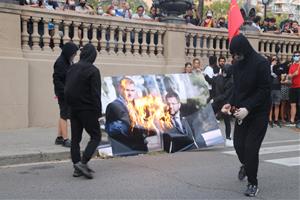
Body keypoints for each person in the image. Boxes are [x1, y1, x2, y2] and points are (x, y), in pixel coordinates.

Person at [221, 34, 271, 197]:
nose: (235, 57)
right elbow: (237, 88)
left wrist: (248, 108)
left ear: (245, 49)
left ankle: (252, 183)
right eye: (233, 54)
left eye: (237, 53)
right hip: (241, 111)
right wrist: (230, 103)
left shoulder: (261, 63)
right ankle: (246, 164)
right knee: (238, 145)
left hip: (259, 112)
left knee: (251, 148)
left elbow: (264, 90)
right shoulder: (237, 64)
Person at [64, 43, 102, 179]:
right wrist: (98, 112)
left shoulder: (72, 68)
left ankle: (77, 167)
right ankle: (83, 163)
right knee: (96, 136)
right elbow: (95, 95)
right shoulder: (93, 71)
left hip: (73, 109)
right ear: (93, 56)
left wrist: (68, 108)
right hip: (87, 109)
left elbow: (66, 89)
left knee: (75, 139)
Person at [105, 78, 148, 152]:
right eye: (127, 90)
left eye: (132, 90)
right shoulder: (113, 106)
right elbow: (110, 129)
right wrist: (134, 128)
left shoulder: (137, 105)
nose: (130, 93)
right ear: (120, 90)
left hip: (140, 147)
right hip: (125, 149)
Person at [53, 42, 78, 147]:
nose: (74, 56)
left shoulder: (68, 61)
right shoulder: (60, 63)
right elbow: (57, 80)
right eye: (73, 53)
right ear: (68, 52)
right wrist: (64, 91)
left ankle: (59, 137)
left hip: (67, 91)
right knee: (64, 115)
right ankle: (65, 139)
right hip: (63, 93)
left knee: (63, 114)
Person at [211, 62, 234, 147]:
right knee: (208, 118)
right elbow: (211, 81)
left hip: (224, 104)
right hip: (217, 102)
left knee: (227, 121)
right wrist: (203, 76)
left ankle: (228, 138)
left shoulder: (231, 81)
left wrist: (214, 99)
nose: (224, 73)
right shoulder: (219, 77)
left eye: (226, 71)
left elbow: (226, 95)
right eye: (224, 71)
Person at [287, 51, 300, 126]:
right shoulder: (292, 65)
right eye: (295, 55)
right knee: (293, 104)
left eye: (298, 55)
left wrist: (292, 75)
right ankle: (292, 121)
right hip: (293, 87)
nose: (296, 56)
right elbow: (289, 76)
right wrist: (292, 75)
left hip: (299, 87)